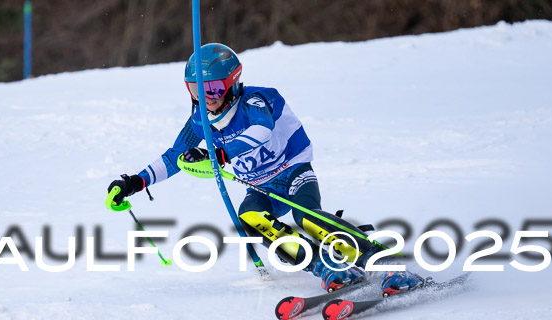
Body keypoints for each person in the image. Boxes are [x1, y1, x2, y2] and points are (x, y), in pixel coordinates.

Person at [108, 43, 422, 294]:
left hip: (293, 171)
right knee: (250, 218)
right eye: (197, 90)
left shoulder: (256, 100)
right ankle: (328, 268)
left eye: (214, 89)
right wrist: (135, 182)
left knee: (307, 218)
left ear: (232, 83)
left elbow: (262, 131)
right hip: (260, 187)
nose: (207, 98)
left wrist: (220, 154)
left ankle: (387, 265)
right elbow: (173, 157)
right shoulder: (199, 122)